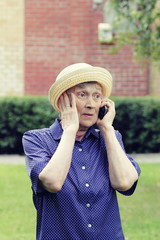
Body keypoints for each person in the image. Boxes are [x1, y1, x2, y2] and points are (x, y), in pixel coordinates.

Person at [22, 63, 141, 240]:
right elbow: (52, 182)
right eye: (82, 95)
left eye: (97, 96)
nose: (91, 104)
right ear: (63, 100)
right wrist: (70, 130)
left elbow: (124, 183)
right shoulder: (36, 139)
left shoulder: (110, 137)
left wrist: (107, 129)